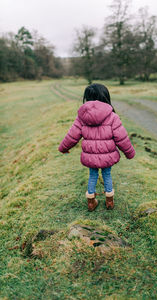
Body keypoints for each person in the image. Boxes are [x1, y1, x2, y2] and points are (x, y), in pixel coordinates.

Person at [58, 83, 135, 211]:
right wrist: (129, 153)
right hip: (107, 155)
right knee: (107, 174)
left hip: (90, 155)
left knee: (93, 175)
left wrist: (63, 148)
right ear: (105, 97)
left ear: (87, 97)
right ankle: (109, 201)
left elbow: (72, 136)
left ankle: (91, 202)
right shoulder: (112, 116)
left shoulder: (82, 117)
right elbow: (122, 138)